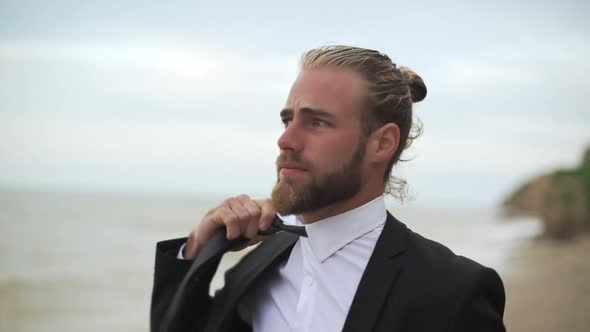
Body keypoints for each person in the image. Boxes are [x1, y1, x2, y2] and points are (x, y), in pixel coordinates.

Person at [150, 45, 506, 332]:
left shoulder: (452, 291)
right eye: (288, 119)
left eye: (317, 122)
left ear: (381, 144)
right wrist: (200, 246)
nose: (286, 139)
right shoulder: (260, 262)